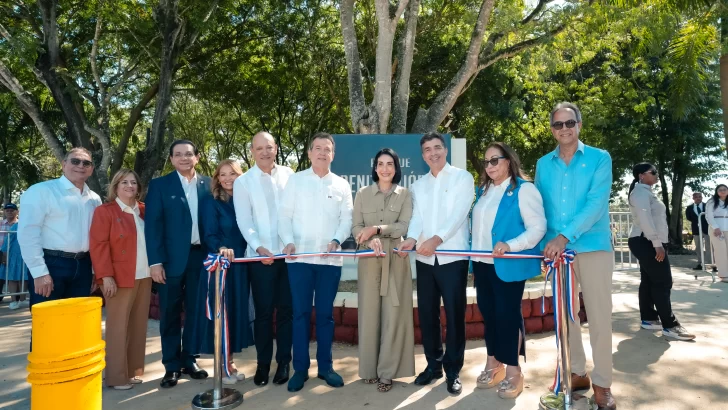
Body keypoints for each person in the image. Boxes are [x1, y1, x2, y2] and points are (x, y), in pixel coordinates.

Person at [534, 102, 616, 410]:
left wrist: (563, 236)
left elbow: (596, 204)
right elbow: (541, 208)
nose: (564, 129)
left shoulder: (599, 158)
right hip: (557, 253)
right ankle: (577, 373)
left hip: (592, 246)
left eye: (570, 123)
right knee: (565, 319)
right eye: (558, 124)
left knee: (599, 317)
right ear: (552, 129)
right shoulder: (543, 164)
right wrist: (547, 245)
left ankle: (603, 384)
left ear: (579, 125)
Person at [398, 132, 474, 395]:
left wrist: (436, 239)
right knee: (428, 314)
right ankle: (433, 365)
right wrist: (411, 239)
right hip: (424, 258)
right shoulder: (419, 185)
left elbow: (459, 213)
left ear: (445, 150)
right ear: (422, 155)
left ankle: (453, 369)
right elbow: (417, 218)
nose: (433, 153)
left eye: (437, 148)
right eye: (427, 150)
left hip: (452, 256)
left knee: (454, 315)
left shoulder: (463, 178)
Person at [278, 132, 353, 392]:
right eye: (318, 148)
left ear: (333, 154)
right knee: (299, 314)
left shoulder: (342, 185)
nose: (322, 153)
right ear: (309, 153)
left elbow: (346, 220)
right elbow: (284, 217)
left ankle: (326, 368)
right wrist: (288, 241)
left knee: (324, 315)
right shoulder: (296, 181)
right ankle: (300, 369)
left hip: (330, 261)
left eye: (327, 149)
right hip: (298, 260)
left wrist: (336, 239)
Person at [471, 142, 546, 399]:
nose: (490, 166)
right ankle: (494, 364)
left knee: (507, 317)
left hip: (508, 265)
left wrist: (511, 245)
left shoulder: (524, 190)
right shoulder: (483, 190)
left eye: (495, 160)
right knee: (489, 316)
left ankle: (514, 371)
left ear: (508, 160)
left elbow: (537, 228)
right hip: (482, 265)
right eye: (486, 161)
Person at [145, 140, 211, 388]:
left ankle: (190, 359)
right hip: (170, 261)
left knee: (195, 312)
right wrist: (155, 262)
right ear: (171, 159)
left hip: (200, 258)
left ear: (197, 157)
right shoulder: (160, 185)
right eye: (178, 154)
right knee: (170, 314)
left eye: (189, 154)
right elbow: (153, 226)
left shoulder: (209, 184)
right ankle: (171, 366)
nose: (184, 158)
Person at [352, 148, 414, 393]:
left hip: (396, 260)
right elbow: (357, 227)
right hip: (369, 259)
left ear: (396, 168)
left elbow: (403, 226)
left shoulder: (405, 194)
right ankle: (369, 369)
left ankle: (387, 373)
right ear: (375, 168)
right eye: (381, 164)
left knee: (393, 316)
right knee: (368, 315)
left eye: (390, 164)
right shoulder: (362, 194)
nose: (385, 168)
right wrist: (367, 240)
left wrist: (377, 229)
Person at [234, 132, 293, 387]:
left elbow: (295, 214)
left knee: (286, 313)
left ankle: (283, 363)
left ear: (276, 149)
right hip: (260, 260)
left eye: (268, 147)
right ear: (252, 151)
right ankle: (262, 364)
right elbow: (244, 221)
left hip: (288, 257)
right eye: (259, 148)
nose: (265, 152)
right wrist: (259, 249)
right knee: (263, 314)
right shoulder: (243, 182)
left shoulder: (290, 175)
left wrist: (291, 243)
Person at [89, 169, 153, 390]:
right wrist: (105, 276)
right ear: (115, 186)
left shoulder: (145, 210)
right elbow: (99, 246)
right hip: (119, 278)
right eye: (124, 182)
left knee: (137, 326)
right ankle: (116, 377)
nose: (129, 186)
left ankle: (133, 370)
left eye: (133, 182)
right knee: (118, 328)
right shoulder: (104, 212)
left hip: (145, 276)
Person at [192, 159, 253, 385]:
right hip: (221, 267)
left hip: (240, 265)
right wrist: (221, 248)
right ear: (217, 178)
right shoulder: (210, 201)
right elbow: (208, 233)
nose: (228, 179)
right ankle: (222, 368)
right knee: (221, 316)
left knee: (234, 315)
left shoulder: (243, 200)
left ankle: (230, 363)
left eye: (233, 174)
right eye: (223, 175)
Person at [18, 148, 101, 311]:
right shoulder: (41, 191)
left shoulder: (95, 199)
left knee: (75, 326)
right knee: (47, 328)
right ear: (64, 164)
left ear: (91, 169)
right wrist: (39, 272)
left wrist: (93, 271)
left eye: (86, 163)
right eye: (75, 161)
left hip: (84, 266)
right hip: (51, 265)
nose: (80, 166)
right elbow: (28, 233)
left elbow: (97, 238)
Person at [627, 163, 695, 341]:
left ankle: (649, 318)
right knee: (663, 282)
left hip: (647, 241)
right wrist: (657, 244)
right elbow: (645, 219)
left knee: (649, 280)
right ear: (641, 175)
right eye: (653, 172)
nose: (657, 175)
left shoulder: (646, 192)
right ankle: (670, 325)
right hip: (647, 241)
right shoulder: (640, 193)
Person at [1, 203, 26, 309]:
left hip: (24, 255)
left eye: (12, 210)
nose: (9, 212)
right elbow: (7, 241)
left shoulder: (25, 224)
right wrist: (5, 255)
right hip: (10, 255)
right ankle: (13, 300)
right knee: (11, 277)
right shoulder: (7, 225)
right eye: (7, 210)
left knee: (23, 277)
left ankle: (22, 300)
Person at [686, 192, 714, 271]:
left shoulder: (707, 206)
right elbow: (689, 218)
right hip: (696, 230)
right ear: (693, 198)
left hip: (707, 229)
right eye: (696, 197)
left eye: (700, 197)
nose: (698, 198)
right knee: (698, 247)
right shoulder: (689, 208)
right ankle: (700, 263)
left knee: (709, 247)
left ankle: (710, 264)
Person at [705, 184, 728, 283]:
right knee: (721, 251)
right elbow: (709, 216)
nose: (723, 191)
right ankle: (723, 275)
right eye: (720, 190)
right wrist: (716, 227)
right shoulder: (712, 202)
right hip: (717, 229)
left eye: (725, 189)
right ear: (717, 191)